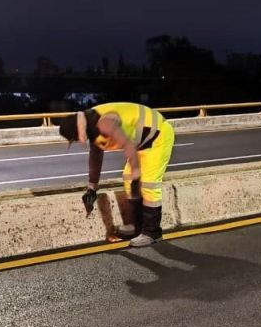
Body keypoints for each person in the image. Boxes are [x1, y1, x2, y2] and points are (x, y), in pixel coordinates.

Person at [58, 102, 175, 247]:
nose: (76, 141)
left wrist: (136, 172)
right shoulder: (91, 126)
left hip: (158, 135)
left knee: (148, 183)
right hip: (142, 142)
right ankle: (137, 227)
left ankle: (153, 232)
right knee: (128, 178)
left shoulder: (104, 123)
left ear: (78, 131)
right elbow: (95, 157)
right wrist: (92, 188)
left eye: (74, 139)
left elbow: (127, 145)